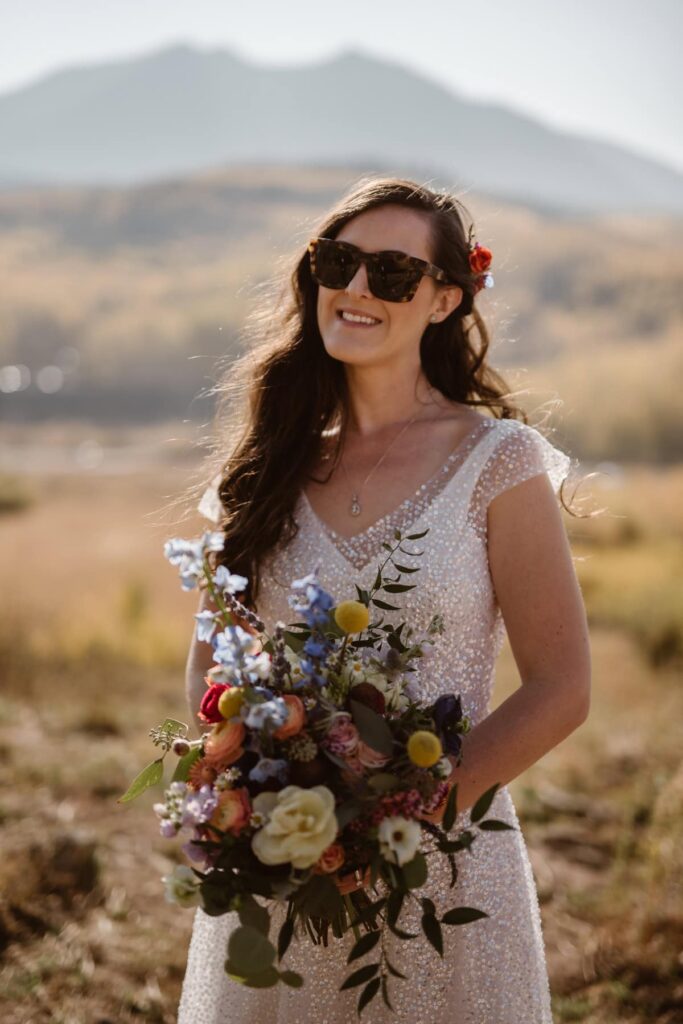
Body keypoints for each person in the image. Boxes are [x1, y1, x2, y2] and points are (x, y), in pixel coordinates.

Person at [176, 177, 592, 1023]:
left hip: (443, 869)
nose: (359, 288)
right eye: (339, 262)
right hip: (285, 865)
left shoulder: (498, 461)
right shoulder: (261, 472)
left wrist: (395, 822)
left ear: (443, 300)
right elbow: (210, 673)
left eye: (394, 273)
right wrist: (275, 806)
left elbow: (560, 688)